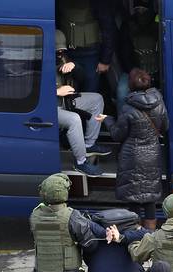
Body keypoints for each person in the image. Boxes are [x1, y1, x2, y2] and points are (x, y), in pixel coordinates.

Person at [108, 68, 168, 231]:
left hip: (132, 156)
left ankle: (135, 240)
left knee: (134, 200)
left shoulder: (127, 107)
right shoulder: (159, 102)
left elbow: (117, 135)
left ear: (130, 86)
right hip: (152, 153)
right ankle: (149, 236)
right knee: (150, 199)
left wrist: (107, 120)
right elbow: (165, 126)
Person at [56, 30, 111, 177]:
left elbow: (82, 78)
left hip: (66, 100)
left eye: (62, 50)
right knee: (73, 120)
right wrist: (55, 91)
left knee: (97, 99)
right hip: (51, 106)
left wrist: (75, 66)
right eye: (57, 51)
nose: (60, 53)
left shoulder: (63, 59)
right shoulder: (39, 62)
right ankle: (80, 162)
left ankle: (89, 144)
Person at [57, 0, 117, 92]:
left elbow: (108, 29)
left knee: (90, 92)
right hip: (66, 54)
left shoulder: (98, 3)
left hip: (90, 54)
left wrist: (105, 60)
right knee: (69, 92)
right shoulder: (58, 3)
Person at [116, 0, 160, 113]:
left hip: (157, 71)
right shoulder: (128, 25)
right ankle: (123, 122)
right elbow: (123, 51)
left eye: (144, 10)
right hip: (134, 70)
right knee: (121, 93)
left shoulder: (159, 24)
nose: (141, 13)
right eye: (138, 9)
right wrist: (132, 70)